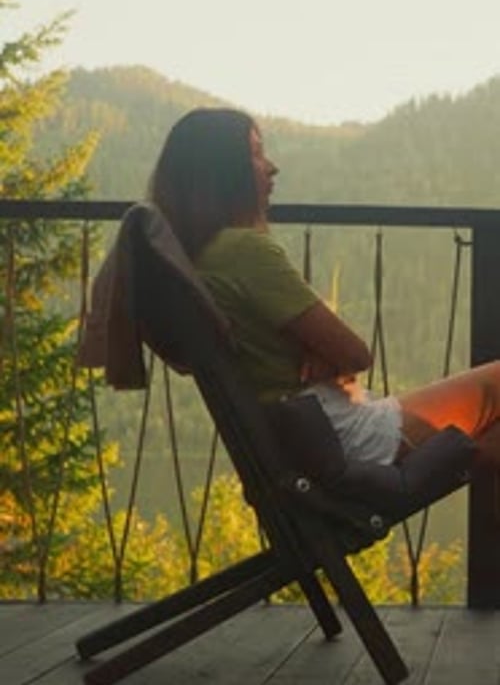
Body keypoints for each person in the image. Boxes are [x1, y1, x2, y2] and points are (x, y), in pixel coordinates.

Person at [148, 107, 500, 470]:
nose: (271, 167)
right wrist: (327, 354)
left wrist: (318, 350)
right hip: (338, 436)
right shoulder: (243, 251)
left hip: (296, 441)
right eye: (255, 154)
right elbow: (356, 356)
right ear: (221, 174)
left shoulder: (198, 258)